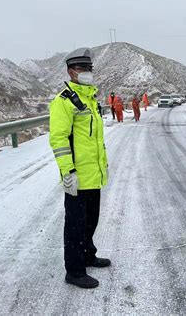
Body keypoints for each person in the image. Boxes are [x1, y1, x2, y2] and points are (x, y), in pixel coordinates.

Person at [49, 47, 111, 289]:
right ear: (71, 72)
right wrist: (68, 171)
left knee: (90, 221)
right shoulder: (63, 101)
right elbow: (59, 139)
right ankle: (74, 271)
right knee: (74, 226)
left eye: (89, 68)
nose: (87, 72)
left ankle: (87, 255)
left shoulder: (89, 99)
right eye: (82, 69)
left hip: (93, 174)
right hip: (76, 176)